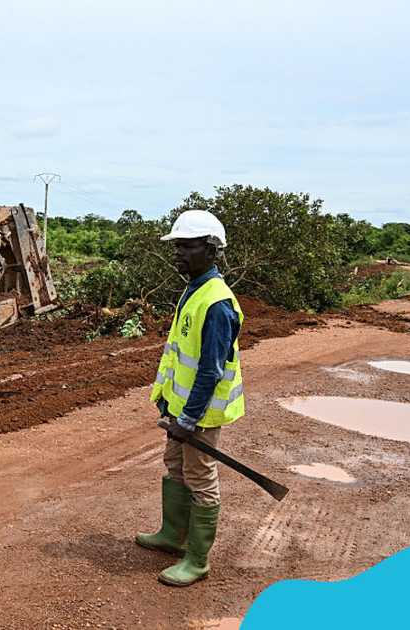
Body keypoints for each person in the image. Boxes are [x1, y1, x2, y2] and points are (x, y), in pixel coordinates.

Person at [135, 210, 245, 587]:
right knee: (176, 467)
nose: (178, 254)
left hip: (200, 415)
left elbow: (210, 371)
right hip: (181, 409)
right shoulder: (194, 290)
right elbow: (181, 355)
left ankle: (196, 560)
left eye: (187, 246)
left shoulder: (217, 303)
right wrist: (168, 403)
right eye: (177, 247)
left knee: (200, 476)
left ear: (211, 249)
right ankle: (172, 537)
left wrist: (188, 419)